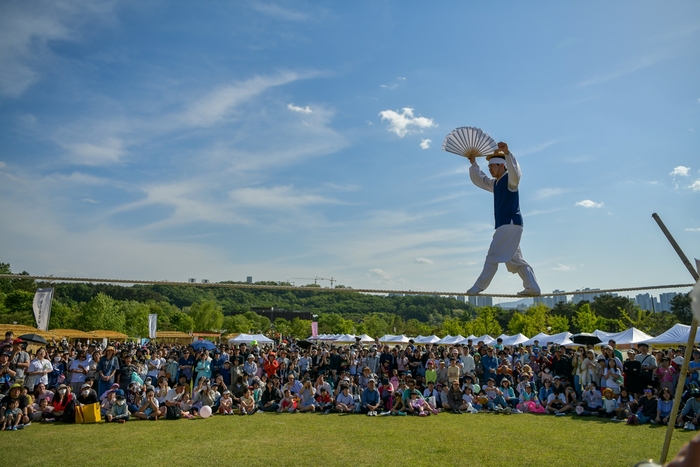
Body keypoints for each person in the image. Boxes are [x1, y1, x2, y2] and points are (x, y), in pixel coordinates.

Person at [465, 143, 540, 297]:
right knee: (515, 260)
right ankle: (533, 287)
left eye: (493, 166)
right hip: (509, 225)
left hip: (509, 223)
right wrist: (473, 163)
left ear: (502, 166)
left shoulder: (510, 181)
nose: (490, 169)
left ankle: (478, 287)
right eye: (489, 167)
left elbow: (515, 174)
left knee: (493, 255)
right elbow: (481, 179)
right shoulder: (496, 183)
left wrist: (507, 153)